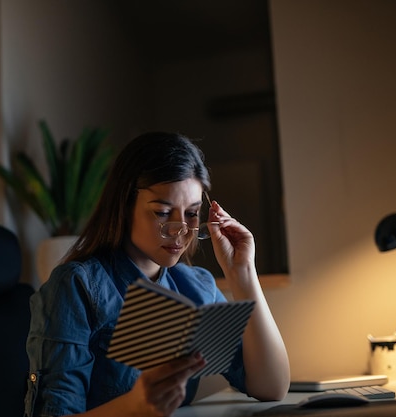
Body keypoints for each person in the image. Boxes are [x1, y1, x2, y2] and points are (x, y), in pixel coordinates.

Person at [24, 132, 290, 417]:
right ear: (125, 207)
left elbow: (270, 387)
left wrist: (243, 273)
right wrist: (133, 407)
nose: (180, 230)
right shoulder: (78, 285)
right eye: (163, 213)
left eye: (191, 213)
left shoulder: (195, 286)